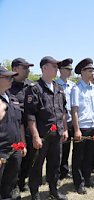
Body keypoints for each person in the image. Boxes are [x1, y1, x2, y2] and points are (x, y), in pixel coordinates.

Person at [25, 56, 68, 200]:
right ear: (44, 68)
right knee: (37, 166)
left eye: (57, 66)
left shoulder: (59, 88)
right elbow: (30, 115)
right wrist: (36, 136)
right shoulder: (34, 89)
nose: (57, 69)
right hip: (42, 136)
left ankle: (53, 190)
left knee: (55, 164)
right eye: (54, 66)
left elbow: (62, 111)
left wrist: (65, 129)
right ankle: (35, 194)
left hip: (57, 135)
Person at [71, 58, 94, 194]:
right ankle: (79, 183)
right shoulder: (76, 89)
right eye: (89, 70)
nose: (92, 73)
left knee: (90, 155)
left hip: (93, 126)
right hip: (82, 127)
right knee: (78, 156)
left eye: (93, 70)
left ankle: (87, 178)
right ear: (82, 72)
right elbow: (74, 111)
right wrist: (76, 129)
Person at [0, 66, 26, 200]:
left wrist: (23, 143)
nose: (12, 79)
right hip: (1, 151)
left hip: (15, 148)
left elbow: (19, 123)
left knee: (10, 183)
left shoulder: (13, 98)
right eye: (8, 77)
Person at [9, 58, 34, 195]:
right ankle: (14, 184)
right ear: (15, 69)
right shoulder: (7, 86)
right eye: (24, 68)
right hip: (14, 128)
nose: (28, 71)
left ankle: (22, 180)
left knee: (29, 157)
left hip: (29, 128)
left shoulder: (30, 86)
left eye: (28, 68)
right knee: (16, 159)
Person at [55, 58, 75, 180]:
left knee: (68, 148)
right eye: (67, 69)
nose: (69, 71)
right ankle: (56, 173)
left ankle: (65, 170)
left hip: (71, 120)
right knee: (59, 150)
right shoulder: (55, 85)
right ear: (60, 70)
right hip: (60, 121)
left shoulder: (73, 86)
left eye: (70, 69)